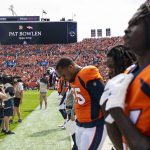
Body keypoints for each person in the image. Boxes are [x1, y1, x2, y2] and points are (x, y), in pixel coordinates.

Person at [100, 1, 150, 149]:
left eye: (135, 24)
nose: (126, 30)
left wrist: (117, 112)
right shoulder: (129, 73)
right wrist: (107, 111)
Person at [56, 57, 105, 150]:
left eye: (63, 75)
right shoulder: (73, 79)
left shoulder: (86, 73)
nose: (63, 78)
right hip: (80, 123)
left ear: (71, 67)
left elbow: (104, 98)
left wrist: (110, 122)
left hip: (94, 123)